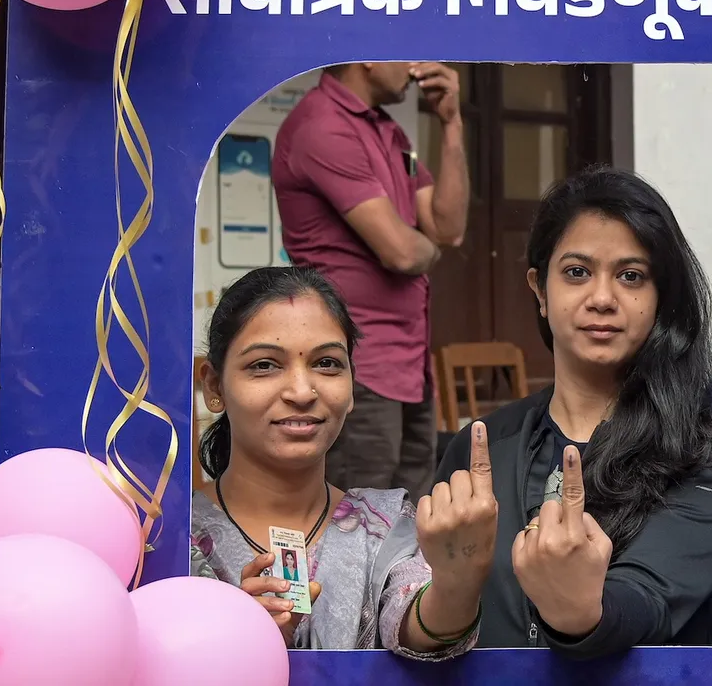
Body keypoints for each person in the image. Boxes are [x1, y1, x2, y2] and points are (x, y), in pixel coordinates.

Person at [434, 166, 712, 659]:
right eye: (577, 272)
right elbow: (433, 618)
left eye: (631, 276)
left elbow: (651, 601)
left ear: (660, 297)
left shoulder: (708, 451)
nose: (602, 299)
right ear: (540, 289)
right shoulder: (480, 448)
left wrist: (579, 609)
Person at [190, 266, 495, 655]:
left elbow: (416, 626)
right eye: (265, 365)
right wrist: (242, 647)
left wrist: (456, 584)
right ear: (214, 386)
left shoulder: (386, 527)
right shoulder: (173, 543)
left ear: (352, 387)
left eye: (327, 363)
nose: (302, 391)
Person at [272, 61, 469, 498]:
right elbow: (400, 251)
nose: (419, 67)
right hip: (352, 360)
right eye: (407, 52)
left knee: (412, 515)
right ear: (369, 58)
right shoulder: (323, 125)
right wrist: (427, 249)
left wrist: (452, 123)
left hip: (407, 362)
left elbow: (448, 226)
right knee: (358, 524)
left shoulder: (392, 133)